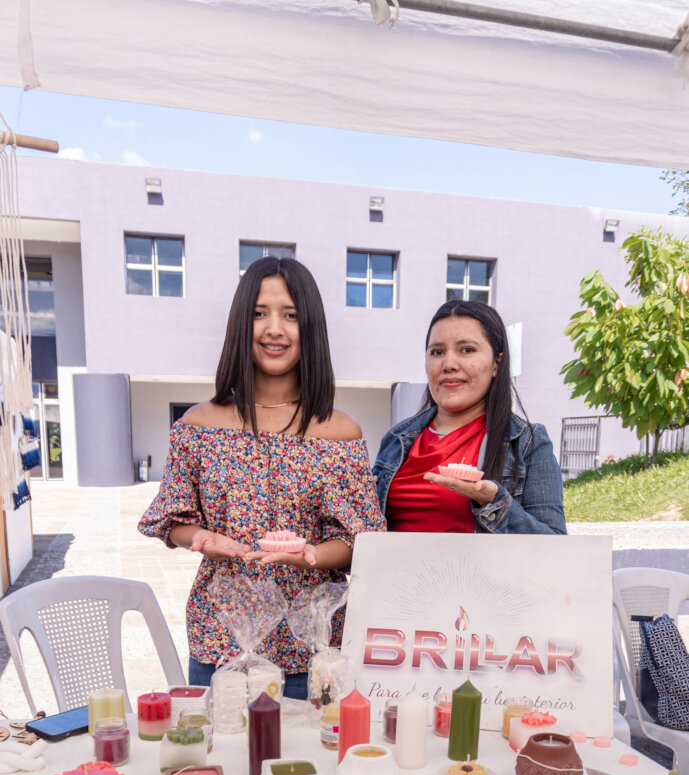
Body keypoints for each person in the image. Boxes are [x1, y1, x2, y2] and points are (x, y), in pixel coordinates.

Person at [139, 257, 385, 697]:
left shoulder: (340, 432)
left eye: (290, 315)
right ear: (240, 323)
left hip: (312, 645)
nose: (274, 328)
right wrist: (201, 537)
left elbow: (359, 542)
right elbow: (173, 519)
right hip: (222, 640)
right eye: (259, 313)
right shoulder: (198, 425)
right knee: (221, 742)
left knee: (311, 745)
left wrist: (310, 555)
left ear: (310, 327)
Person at [373, 299, 566, 534]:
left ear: (496, 364)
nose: (448, 364)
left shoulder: (528, 442)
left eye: (467, 350)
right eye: (437, 352)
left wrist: (494, 502)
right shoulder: (396, 438)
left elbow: (554, 545)